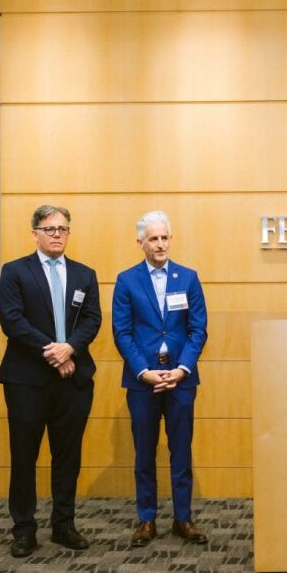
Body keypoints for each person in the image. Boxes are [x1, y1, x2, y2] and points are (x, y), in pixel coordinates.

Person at [0, 205, 102, 558]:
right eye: (50, 228)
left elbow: (92, 320)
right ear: (35, 233)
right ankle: (24, 528)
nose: (57, 234)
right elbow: (12, 321)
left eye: (63, 229)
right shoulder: (14, 272)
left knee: (68, 456)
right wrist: (54, 352)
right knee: (24, 456)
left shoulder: (85, 275)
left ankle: (64, 524)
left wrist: (70, 348)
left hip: (73, 380)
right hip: (27, 380)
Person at [112, 211, 209, 547]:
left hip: (182, 380)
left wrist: (182, 369)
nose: (160, 244)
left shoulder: (189, 278)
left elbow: (198, 330)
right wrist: (145, 372)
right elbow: (122, 333)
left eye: (165, 237)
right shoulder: (126, 281)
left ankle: (183, 518)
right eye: (153, 239)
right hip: (142, 381)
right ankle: (147, 519)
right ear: (140, 243)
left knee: (181, 452)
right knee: (144, 452)